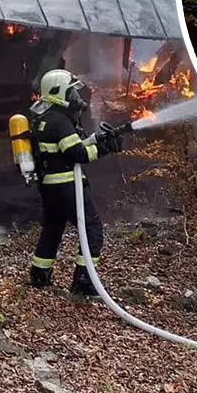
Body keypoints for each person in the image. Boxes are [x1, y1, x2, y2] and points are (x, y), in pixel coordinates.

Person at [26, 68, 126, 294]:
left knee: (53, 228)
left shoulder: (46, 118)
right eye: (72, 93)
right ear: (59, 92)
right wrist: (105, 148)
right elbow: (78, 155)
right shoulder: (60, 121)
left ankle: (39, 274)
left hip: (51, 187)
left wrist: (98, 139)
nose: (77, 99)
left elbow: (72, 145)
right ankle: (84, 282)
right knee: (92, 230)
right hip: (67, 185)